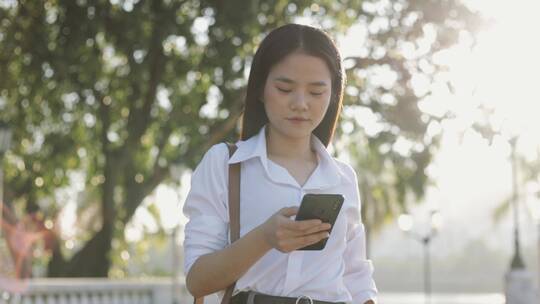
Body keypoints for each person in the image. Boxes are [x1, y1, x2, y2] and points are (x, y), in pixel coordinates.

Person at [183, 23, 377, 304]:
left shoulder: (343, 178)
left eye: (316, 92)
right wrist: (264, 237)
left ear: (334, 94)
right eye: (285, 89)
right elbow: (198, 280)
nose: (300, 103)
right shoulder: (224, 164)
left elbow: (357, 279)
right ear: (261, 89)